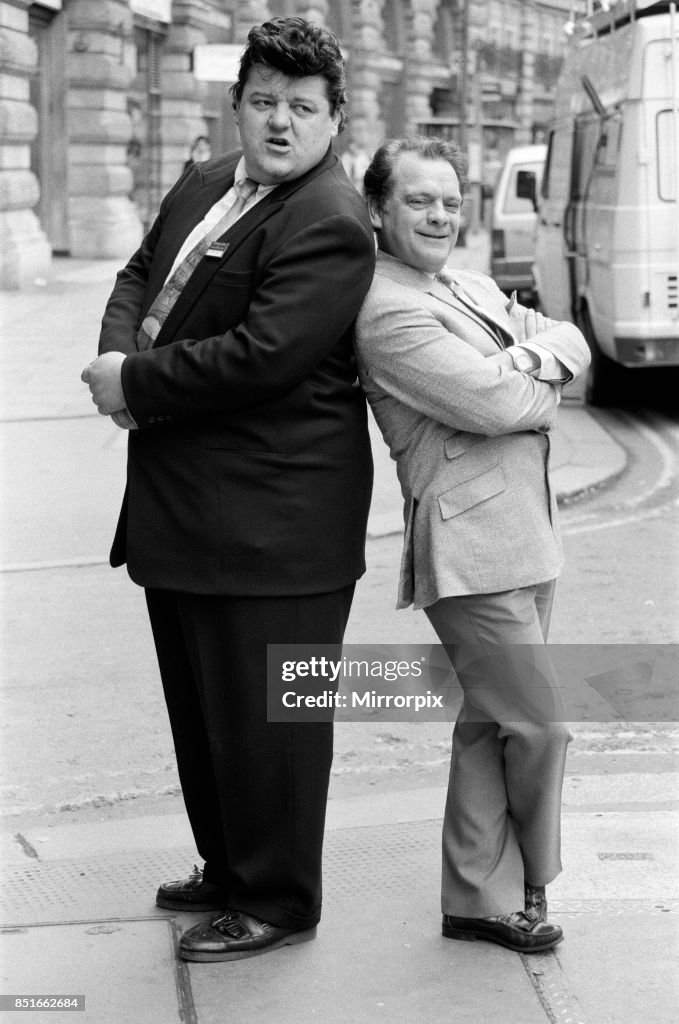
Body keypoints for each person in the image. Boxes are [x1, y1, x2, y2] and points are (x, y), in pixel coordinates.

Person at [81, 18, 376, 963]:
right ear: (237, 105)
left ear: (334, 118)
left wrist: (135, 385)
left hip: (276, 527)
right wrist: (120, 350)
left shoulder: (329, 218)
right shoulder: (207, 179)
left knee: (271, 727)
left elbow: (262, 358)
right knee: (207, 714)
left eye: (301, 107)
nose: (279, 123)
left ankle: (279, 897)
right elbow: (138, 273)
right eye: (263, 102)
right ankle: (229, 868)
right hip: (186, 514)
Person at [354, 137, 590, 953]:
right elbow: (491, 406)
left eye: (451, 202)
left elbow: (570, 339)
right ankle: (529, 883)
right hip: (468, 549)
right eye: (420, 201)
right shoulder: (383, 308)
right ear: (380, 210)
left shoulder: (466, 282)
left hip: (526, 532)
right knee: (540, 726)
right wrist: (536, 378)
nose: (440, 215)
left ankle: (472, 896)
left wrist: (527, 361)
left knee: (490, 723)